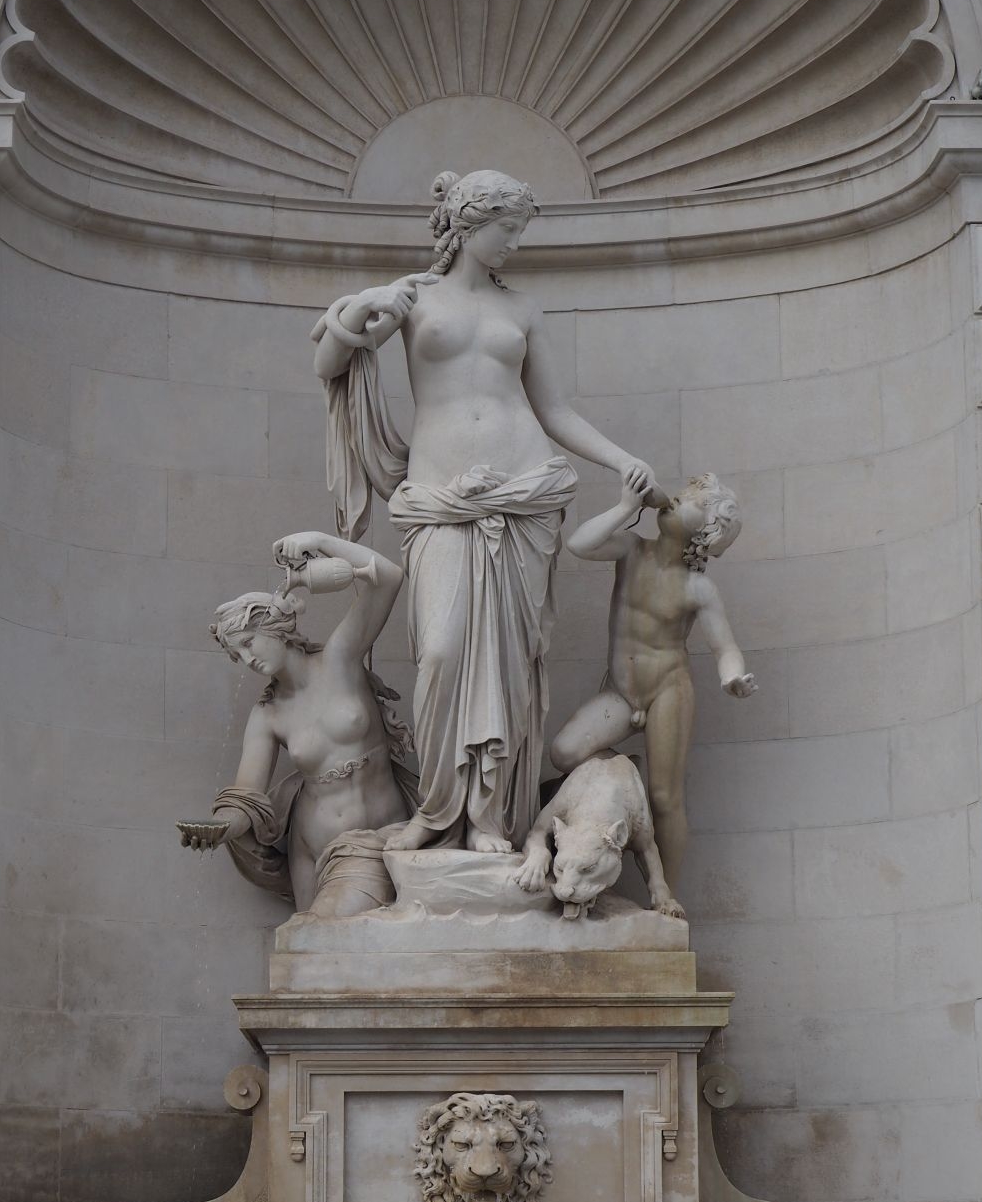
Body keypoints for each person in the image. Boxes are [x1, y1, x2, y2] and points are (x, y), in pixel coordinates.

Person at [312, 168, 657, 855]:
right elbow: (330, 363)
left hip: (524, 493)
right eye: (508, 230)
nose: (515, 245)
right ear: (469, 223)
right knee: (441, 651)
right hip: (440, 499)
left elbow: (553, 409)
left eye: (520, 231)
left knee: (508, 664)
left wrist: (620, 458)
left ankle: (491, 818)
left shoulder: (522, 309)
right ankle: (437, 810)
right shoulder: (413, 298)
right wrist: (366, 304)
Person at [179, 531, 413, 914]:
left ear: (274, 628)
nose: (247, 660)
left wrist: (319, 540)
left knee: (328, 932)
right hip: (312, 850)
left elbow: (387, 577)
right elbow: (246, 794)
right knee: (308, 945)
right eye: (237, 655)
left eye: (248, 643)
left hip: (382, 835)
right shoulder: (268, 714)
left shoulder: (340, 659)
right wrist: (220, 828)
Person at [550, 473, 755, 883]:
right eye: (683, 492)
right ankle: (623, 773)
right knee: (564, 752)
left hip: (668, 689)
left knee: (664, 797)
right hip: (621, 691)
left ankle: (667, 896)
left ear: (706, 532)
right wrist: (626, 506)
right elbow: (579, 544)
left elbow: (726, 647)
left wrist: (732, 676)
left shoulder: (698, 588)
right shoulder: (631, 549)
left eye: (694, 500)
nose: (677, 498)